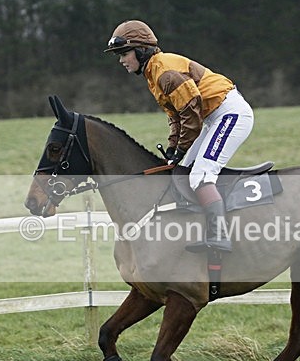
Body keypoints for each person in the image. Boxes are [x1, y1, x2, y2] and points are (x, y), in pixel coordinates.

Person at [104, 20, 254, 253]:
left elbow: (191, 115)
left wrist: (182, 148)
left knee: (201, 176)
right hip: (212, 117)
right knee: (181, 171)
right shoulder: (153, 74)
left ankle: (220, 235)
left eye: (124, 53)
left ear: (142, 50)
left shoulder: (165, 73)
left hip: (229, 114)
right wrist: (174, 149)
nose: (121, 60)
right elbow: (176, 117)